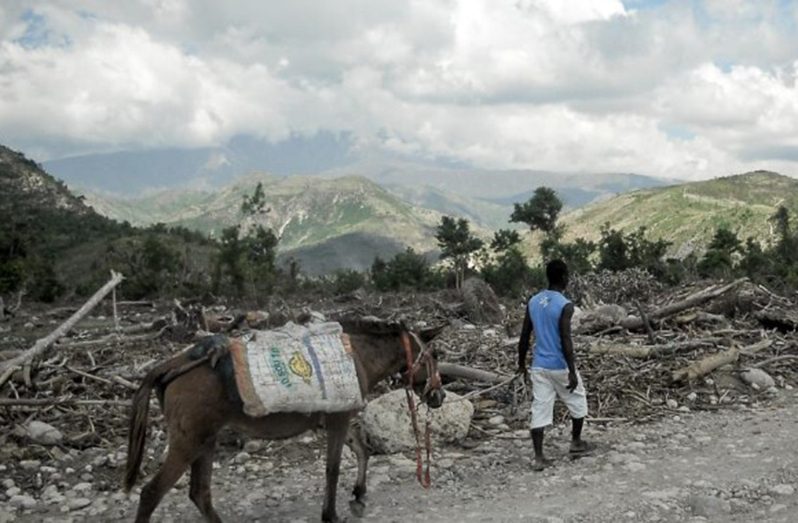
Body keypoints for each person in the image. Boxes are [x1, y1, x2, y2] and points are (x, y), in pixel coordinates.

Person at [517, 259, 590, 471]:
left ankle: (539, 457)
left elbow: (524, 336)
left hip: (539, 365)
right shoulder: (565, 305)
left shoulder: (533, 301)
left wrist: (521, 363)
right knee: (577, 399)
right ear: (564, 278)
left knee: (540, 407)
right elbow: (566, 339)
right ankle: (576, 442)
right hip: (559, 365)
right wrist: (572, 370)